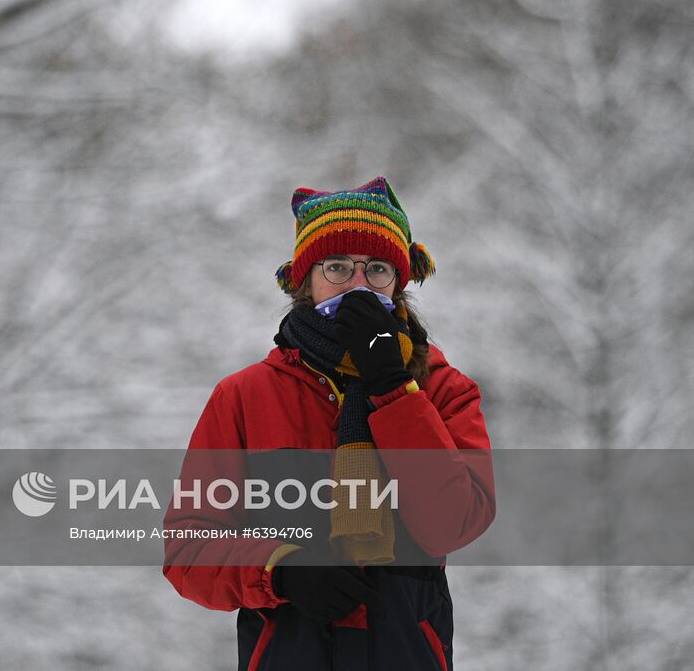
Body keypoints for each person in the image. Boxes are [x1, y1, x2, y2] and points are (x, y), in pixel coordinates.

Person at [163, 176, 495, 671]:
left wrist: (392, 389)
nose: (358, 285)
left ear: (399, 283)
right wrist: (280, 570)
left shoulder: (444, 391)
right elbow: (188, 548)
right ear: (305, 280)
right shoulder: (244, 397)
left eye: (377, 269)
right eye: (337, 267)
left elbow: (452, 522)